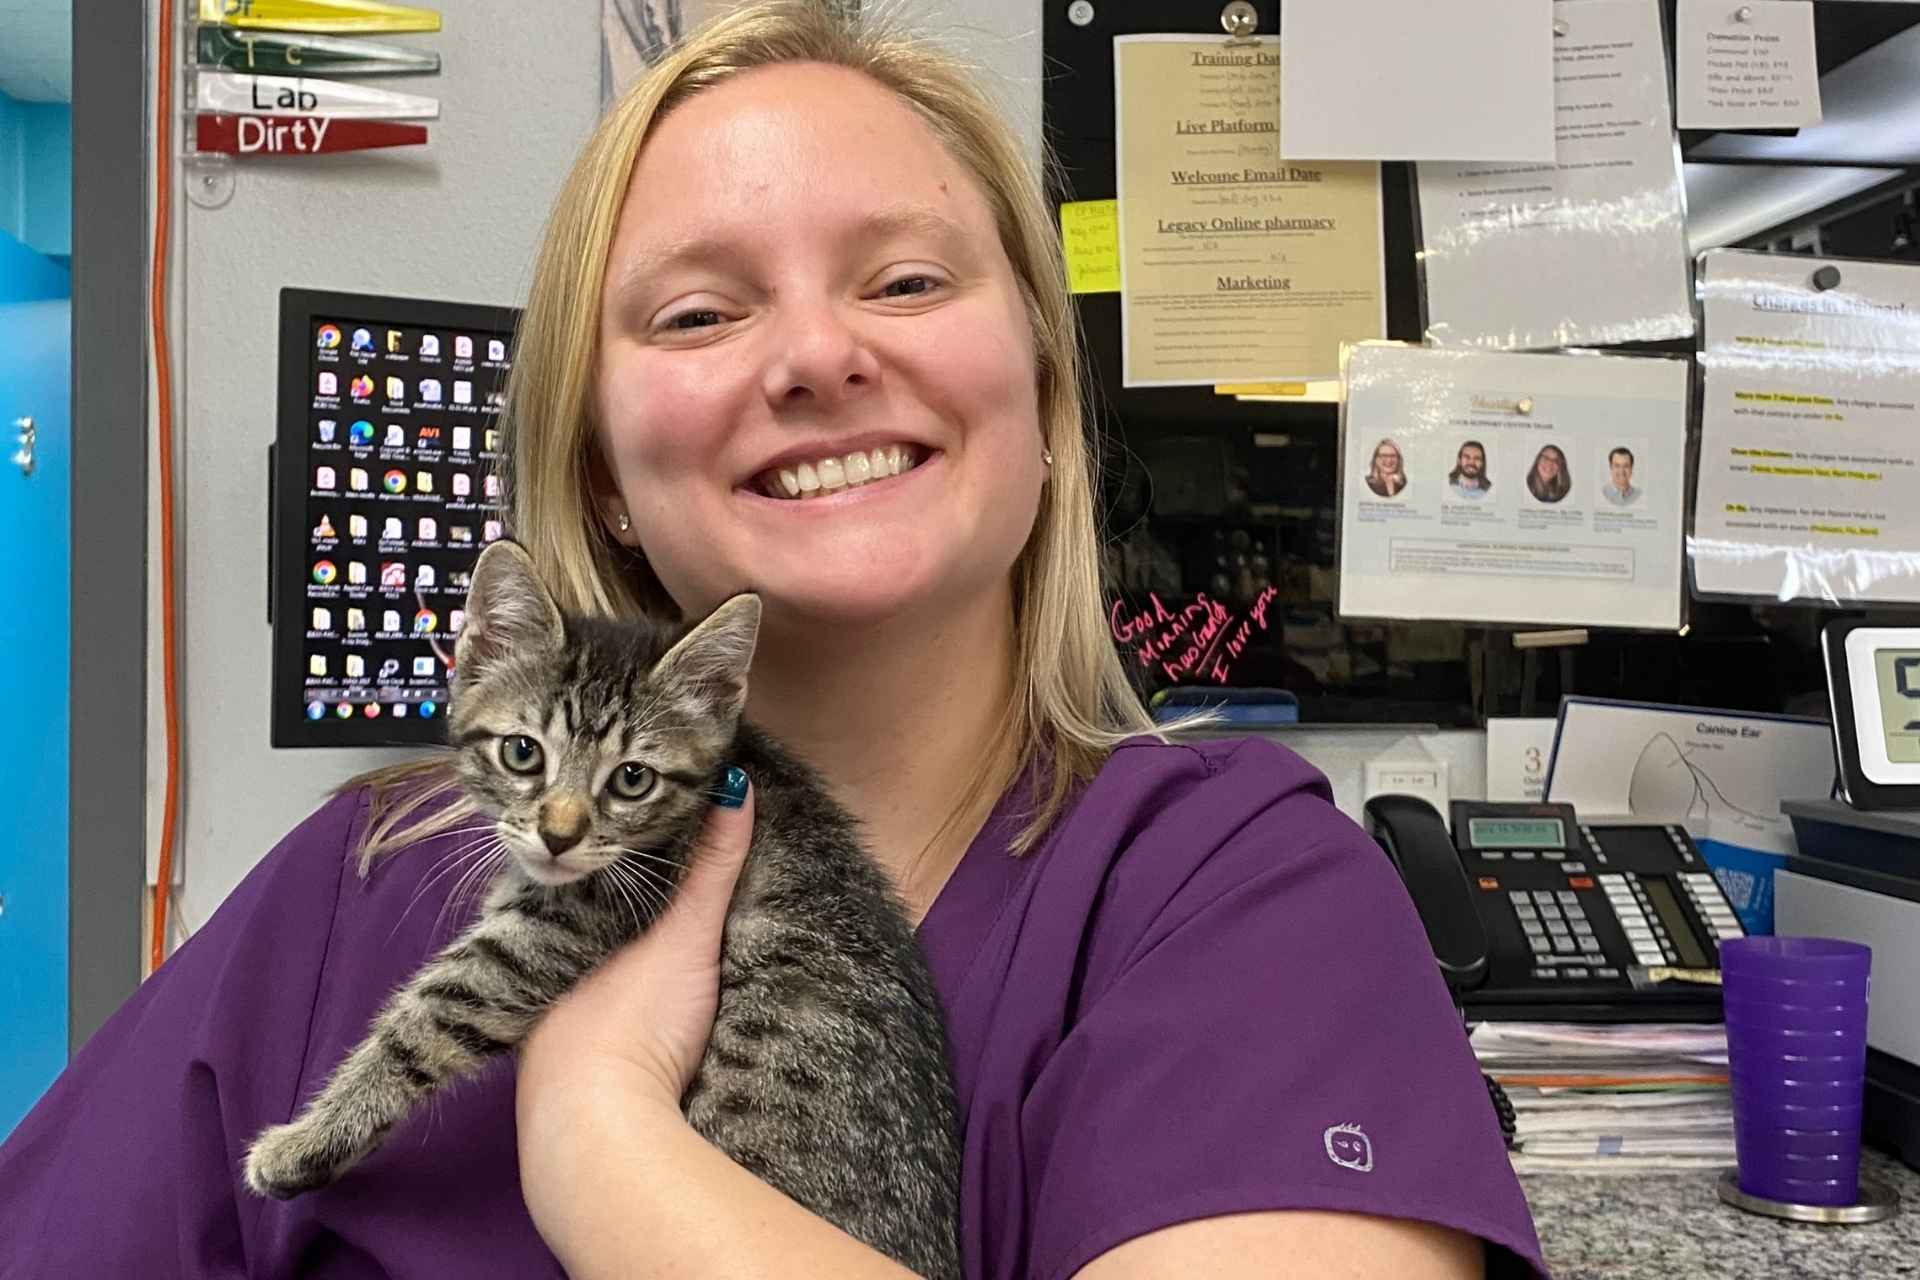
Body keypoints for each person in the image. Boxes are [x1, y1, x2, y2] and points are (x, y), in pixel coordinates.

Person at [0, 4, 1545, 1278]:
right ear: (603, 470)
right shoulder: (361, 886)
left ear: (1045, 406)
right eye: (696, 314)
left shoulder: (1240, 898)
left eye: (908, 280)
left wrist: (601, 1135)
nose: (815, 354)